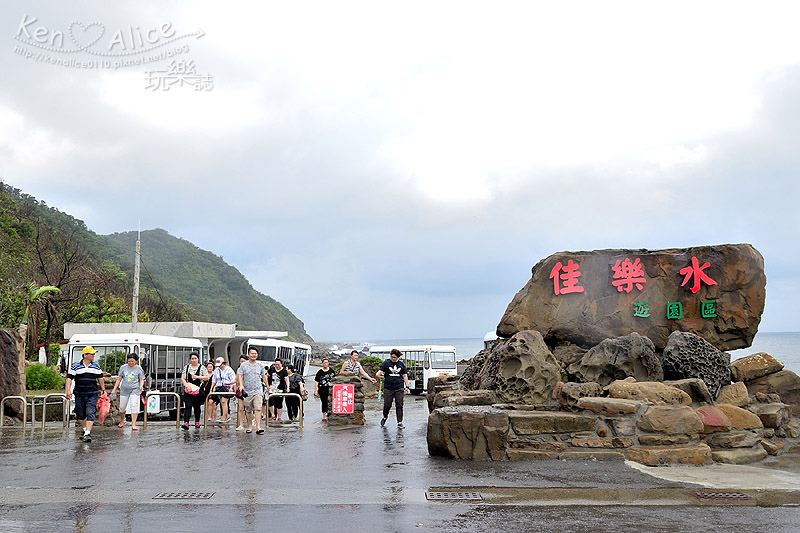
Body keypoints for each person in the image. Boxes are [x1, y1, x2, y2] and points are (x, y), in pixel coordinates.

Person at [65, 346, 105, 442]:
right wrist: (68, 390)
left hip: (92, 393)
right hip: (79, 393)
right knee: (80, 413)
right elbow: (69, 378)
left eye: (93, 354)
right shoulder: (75, 366)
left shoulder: (96, 366)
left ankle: (87, 433)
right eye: (91, 354)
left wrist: (103, 389)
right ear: (85, 355)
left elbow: (100, 378)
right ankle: (84, 430)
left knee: (90, 412)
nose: (93, 355)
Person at [236, 347, 269, 434]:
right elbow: (239, 375)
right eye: (252, 353)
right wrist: (241, 385)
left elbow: (264, 376)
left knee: (258, 408)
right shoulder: (243, 365)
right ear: (249, 354)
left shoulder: (260, 366)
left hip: (258, 390)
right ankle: (250, 426)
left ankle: (258, 427)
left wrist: (267, 385)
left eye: (255, 353)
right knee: (248, 410)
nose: (254, 355)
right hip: (247, 391)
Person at [110, 353, 145, 431]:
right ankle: (122, 420)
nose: (130, 363)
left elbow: (141, 379)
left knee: (134, 406)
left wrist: (141, 385)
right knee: (122, 407)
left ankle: (133, 424)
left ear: (135, 361)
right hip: (124, 389)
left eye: (132, 361)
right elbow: (119, 379)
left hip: (135, 389)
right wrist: (114, 389)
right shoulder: (123, 367)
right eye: (129, 361)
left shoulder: (139, 369)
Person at [375, 348, 409, 429]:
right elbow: (379, 373)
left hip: (399, 387)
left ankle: (399, 422)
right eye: (392, 357)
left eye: (394, 357)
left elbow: (404, 375)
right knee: (387, 405)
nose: (392, 358)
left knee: (399, 404)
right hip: (388, 388)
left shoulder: (401, 364)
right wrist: (379, 375)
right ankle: (385, 417)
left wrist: (406, 386)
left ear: (397, 357)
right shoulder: (386, 363)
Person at [180, 352, 210, 429]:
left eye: (195, 358)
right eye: (192, 359)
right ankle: (186, 422)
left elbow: (207, 377)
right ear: (190, 359)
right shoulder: (186, 367)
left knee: (197, 406)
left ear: (198, 359)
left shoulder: (202, 368)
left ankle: (197, 422)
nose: (194, 360)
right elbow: (183, 378)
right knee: (188, 406)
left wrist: (197, 377)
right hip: (188, 390)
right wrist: (186, 385)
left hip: (198, 390)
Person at [211, 357, 236, 422]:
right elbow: (214, 380)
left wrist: (231, 388)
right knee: (222, 403)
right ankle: (227, 416)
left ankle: (223, 417)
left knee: (224, 402)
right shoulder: (217, 370)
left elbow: (233, 380)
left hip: (227, 387)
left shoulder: (229, 370)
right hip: (219, 387)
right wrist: (212, 388)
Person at [314, 358, 335, 422]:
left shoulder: (331, 370)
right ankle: (324, 415)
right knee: (324, 401)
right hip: (322, 389)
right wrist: (315, 390)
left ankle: (330, 413)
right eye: (324, 363)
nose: (326, 364)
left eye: (327, 362)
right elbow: (316, 381)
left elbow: (335, 379)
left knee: (330, 401)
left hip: (330, 389)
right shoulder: (320, 372)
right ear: (322, 364)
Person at [235, 354, 248, 431]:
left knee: (249, 408)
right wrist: (234, 388)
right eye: (241, 361)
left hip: (249, 390)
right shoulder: (239, 369)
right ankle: (240, 424)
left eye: (243, 361)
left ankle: (252, 421)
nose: (242, 363)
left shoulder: (250, 368)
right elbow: (236, 380)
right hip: (240, 390)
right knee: (240, 408)